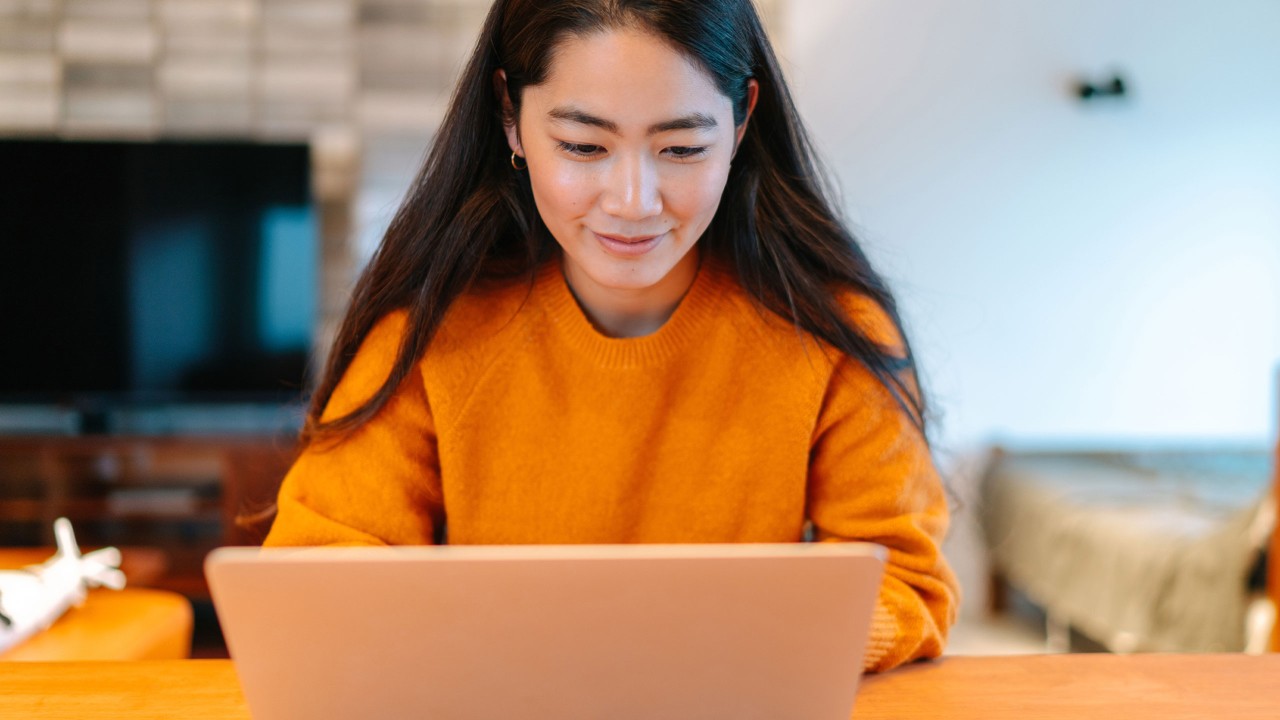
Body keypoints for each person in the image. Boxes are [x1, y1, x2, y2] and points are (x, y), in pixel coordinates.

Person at [264, 0, 958, 672]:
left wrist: (756, 649)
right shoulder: (431, 330)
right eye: (583, 146)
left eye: (683, 147)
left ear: (743, 120)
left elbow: (903, 579)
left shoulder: (829, 330)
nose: (633, 201)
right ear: (509, 116)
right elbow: (313, 572)